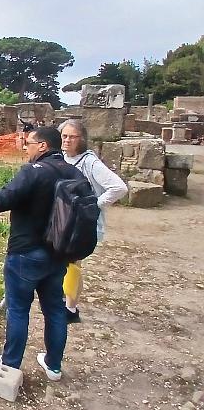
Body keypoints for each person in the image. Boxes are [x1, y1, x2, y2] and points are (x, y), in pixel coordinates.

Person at [0, 126, 86, 381]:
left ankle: (10, 367)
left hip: (25, 254)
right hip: (58, 254)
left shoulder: (33, 172)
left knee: (18, 310)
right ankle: (54, 366)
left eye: (29, 143)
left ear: (43, 146)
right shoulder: (74, 172)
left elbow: (0, 201)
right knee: (55, 309)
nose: (25, 148)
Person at [58, 119, 127, 323]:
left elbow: (119, 188)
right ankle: (68, 303)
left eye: (72, 137)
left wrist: (94, 204)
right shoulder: (62, 158)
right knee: (68, 264)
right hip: (65, 221)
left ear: (82, 139)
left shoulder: (89, 162)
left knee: (72, 264)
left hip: (83, 224)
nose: (67, 140)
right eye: (64, 136)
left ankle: (70, 309)